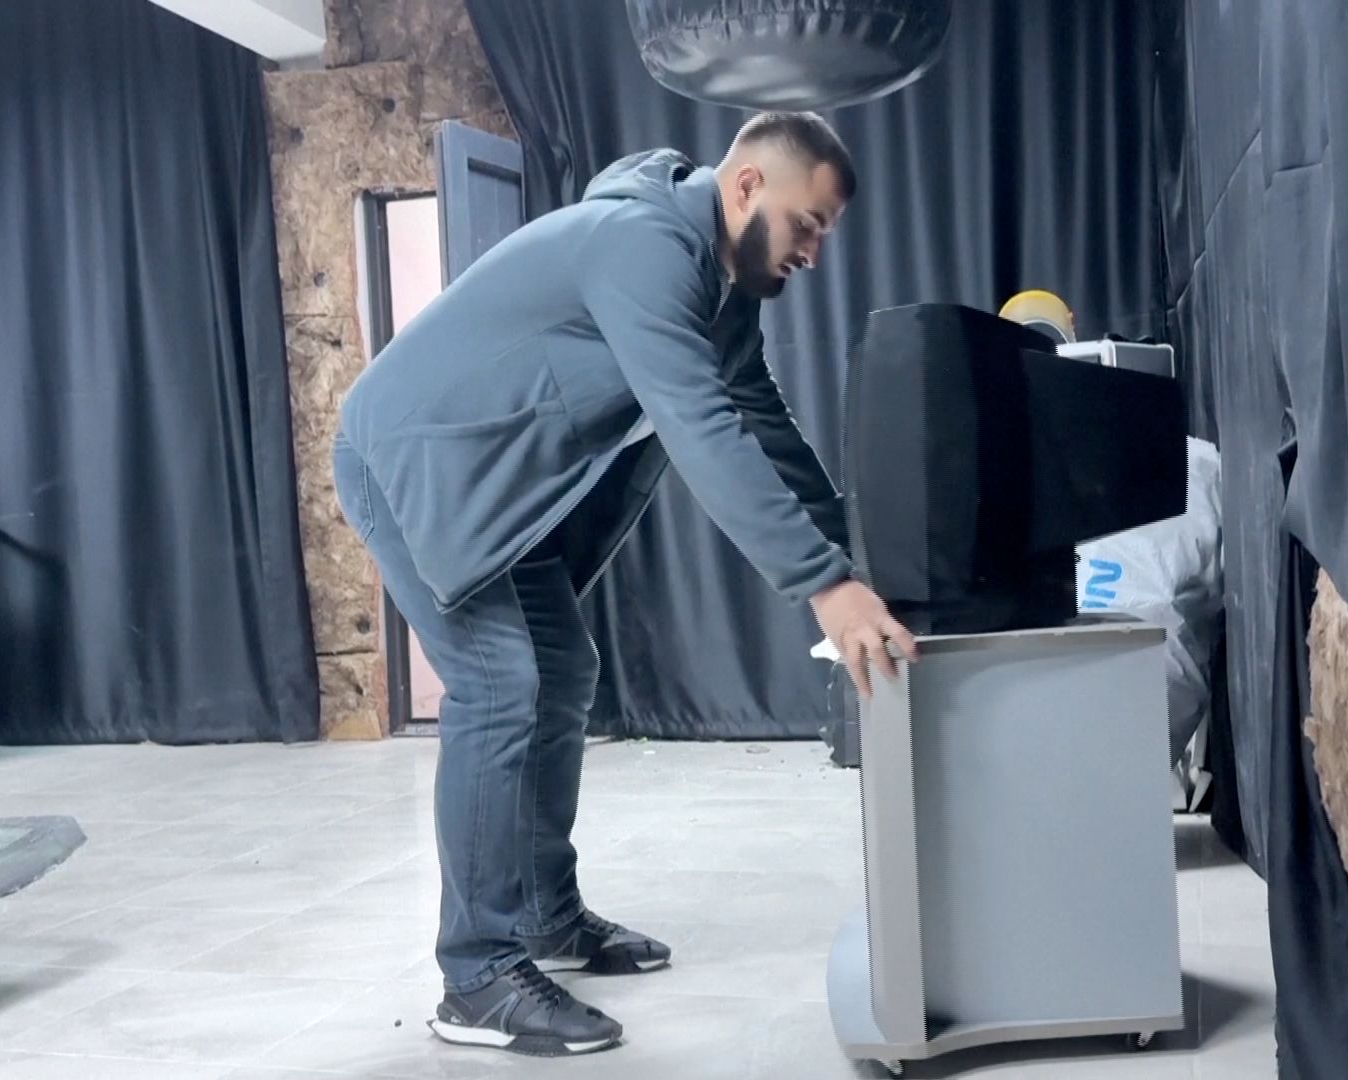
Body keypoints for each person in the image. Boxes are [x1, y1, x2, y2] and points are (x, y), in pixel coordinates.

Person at [332, 110, 918, 1057]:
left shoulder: (725, 290)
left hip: (497, 489)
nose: (814, 250)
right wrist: (822, 584)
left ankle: (544, 920)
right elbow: (699, 428)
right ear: (746, 189)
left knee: (562, 670)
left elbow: (757, 416)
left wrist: (856, 549)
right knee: (498, 685)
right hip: (410, 465)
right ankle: (475, 975)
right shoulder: (642, 247)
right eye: (808, 224)